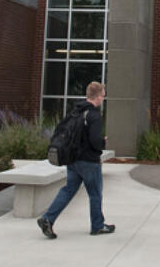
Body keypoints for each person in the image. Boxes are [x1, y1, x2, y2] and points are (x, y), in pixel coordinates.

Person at [37, 82, 115, 238]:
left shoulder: (76, 112)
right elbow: (94, 141)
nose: (103, 99)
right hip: (89, 161)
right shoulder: (94, 115)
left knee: (68, 190)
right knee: (95, 194)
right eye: (103, 96)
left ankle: (48, 218)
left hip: (73, 160)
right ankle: (97, 226)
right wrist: (103, 142)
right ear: (98, 96)